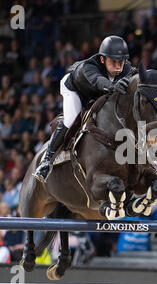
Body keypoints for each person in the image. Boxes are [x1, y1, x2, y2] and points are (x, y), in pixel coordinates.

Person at [33, 36, 132, 183]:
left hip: (98, 93)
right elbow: (98, 81)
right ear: (103, 59)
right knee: (71, 119)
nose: (118, 67)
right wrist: (112, 86)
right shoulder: (89, 67)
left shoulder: (126, 68)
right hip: (75, 91)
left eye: (121, 62)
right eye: (114, 62)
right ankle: (46, 161)